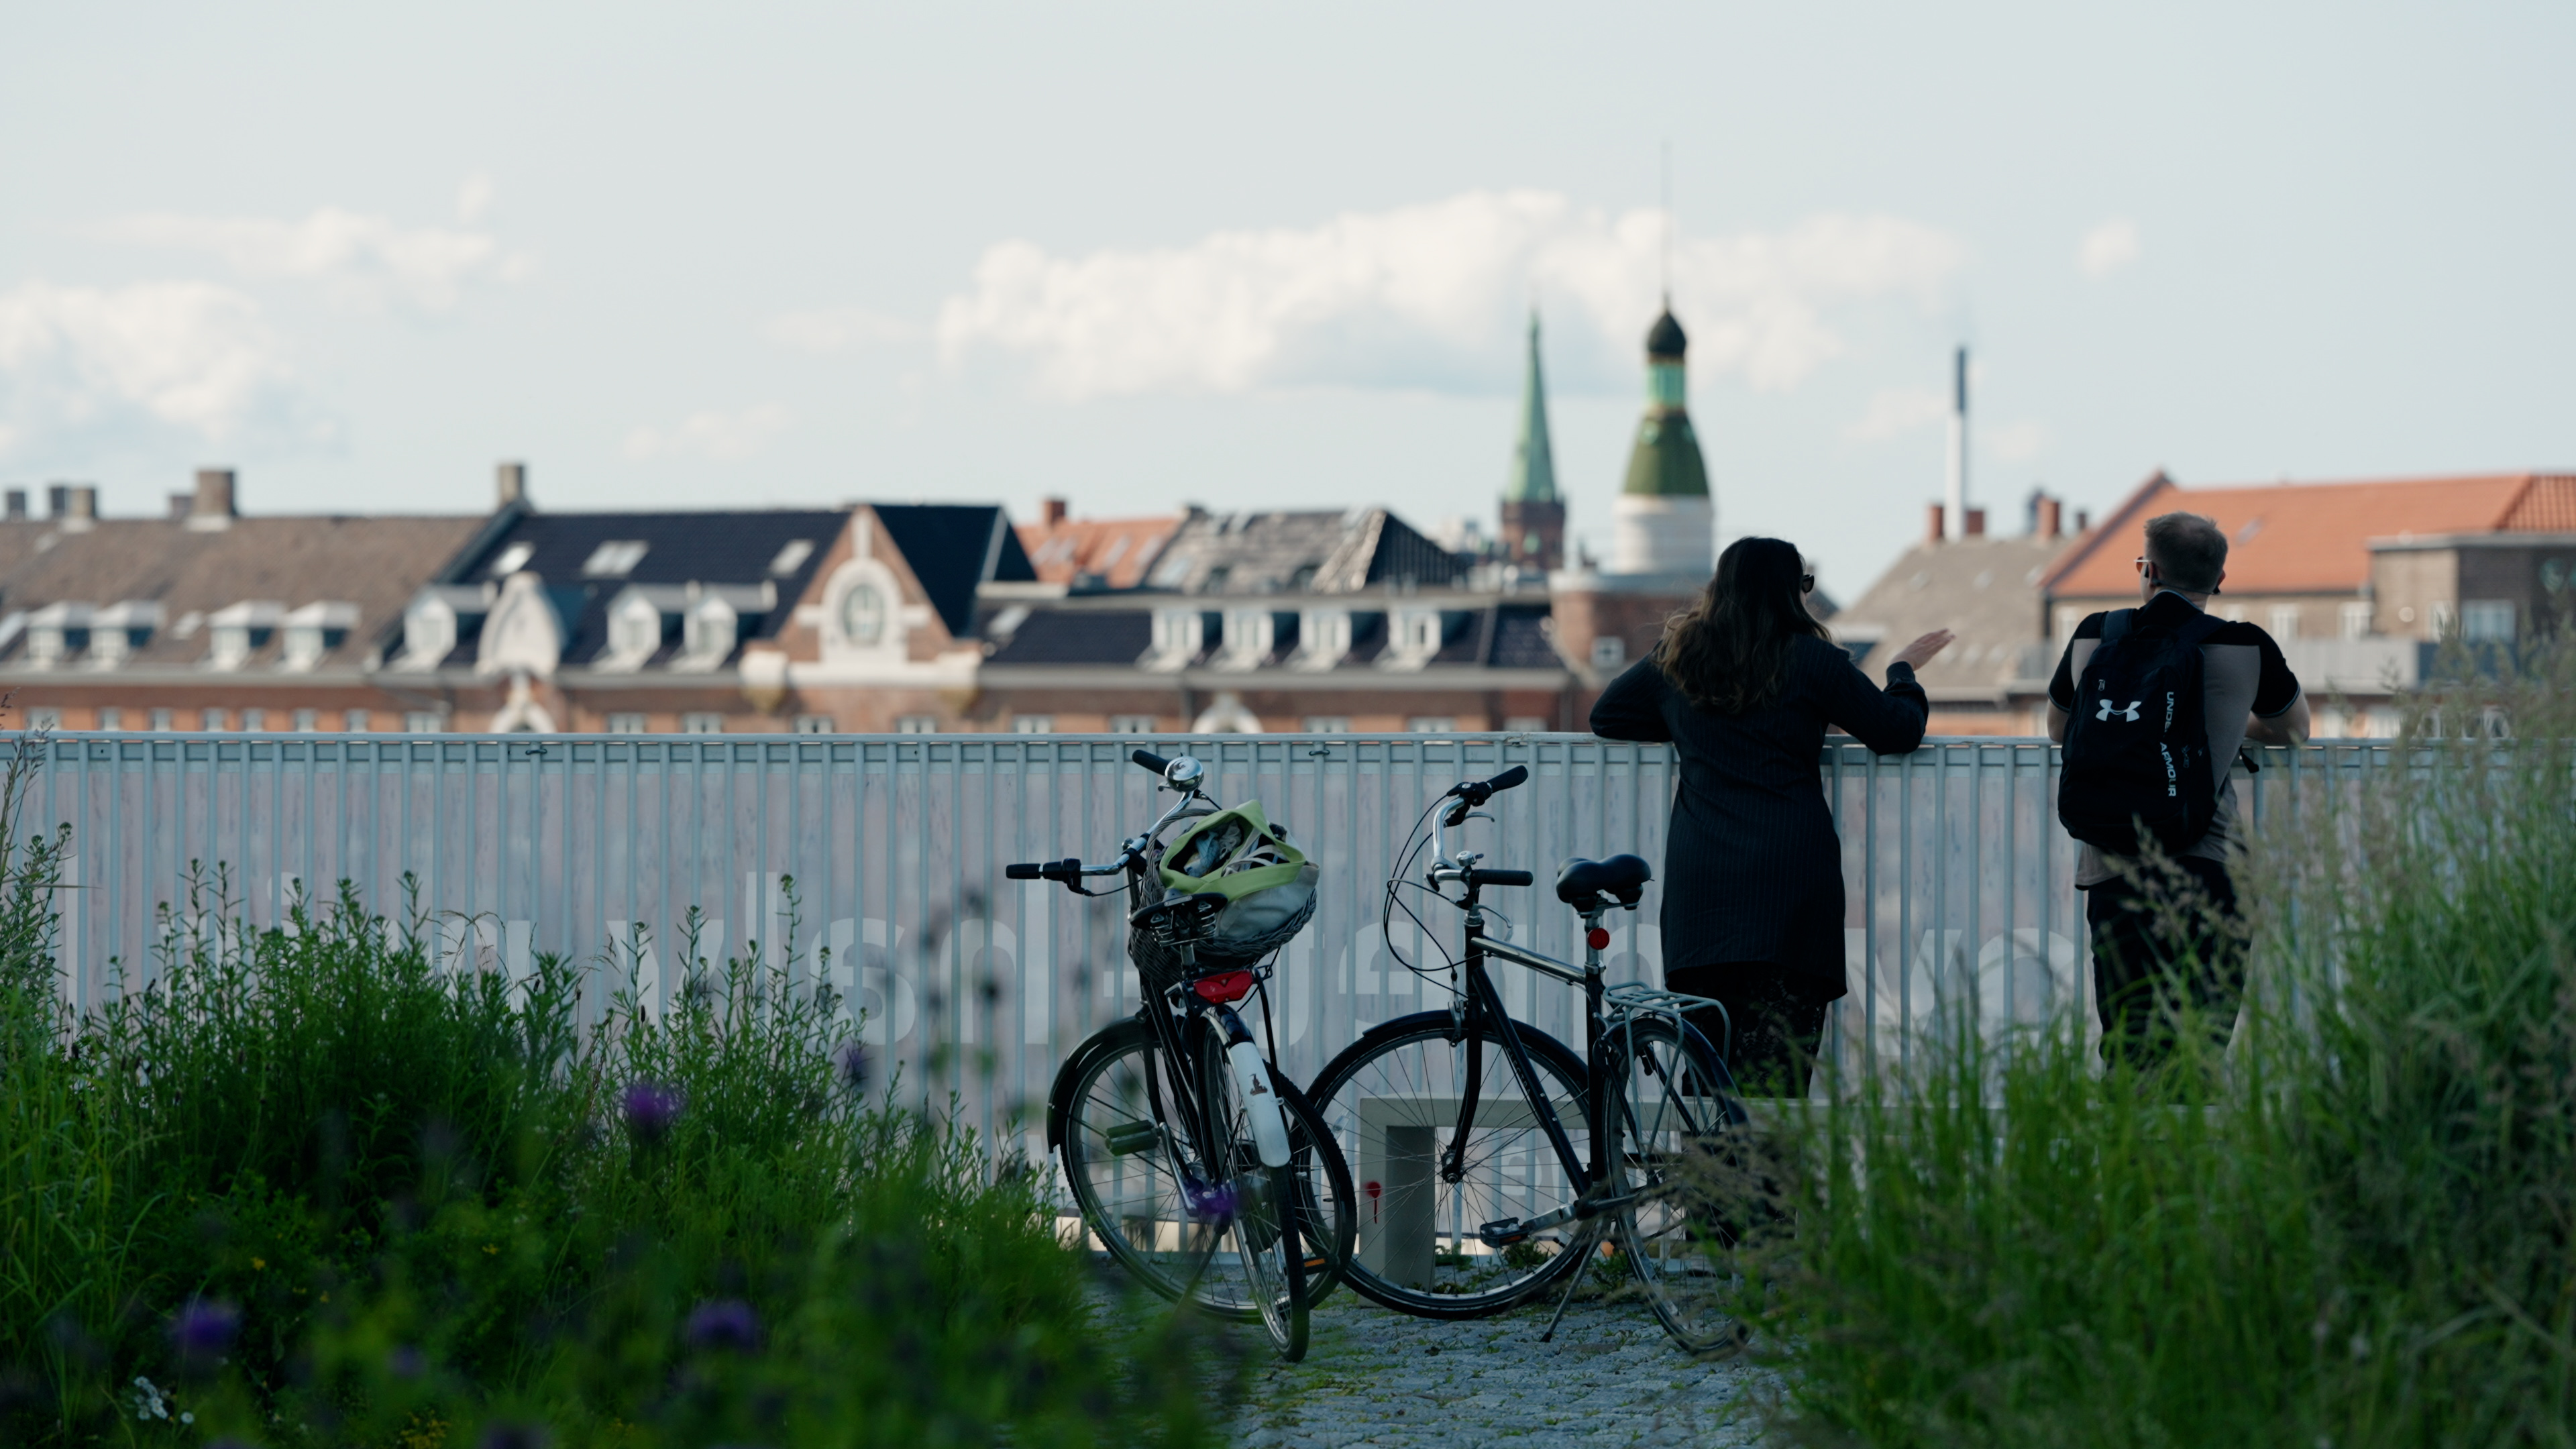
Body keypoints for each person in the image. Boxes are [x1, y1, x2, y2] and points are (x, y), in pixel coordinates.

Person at [1590, 537, 1951, 1095]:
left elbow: (1608, 714)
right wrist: (1902, 671)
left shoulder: (1680, 658)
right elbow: (1896, 731)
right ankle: (1769, 1186)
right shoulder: (1813, 662)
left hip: (1702, 900)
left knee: (1707, 1081)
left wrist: (1691, 724)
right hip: (1789, 896)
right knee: (1777, 1088)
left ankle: (1707, 1184)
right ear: (1792, 593)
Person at [2046, 511, 2308, 1070]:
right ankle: (2186, 1154)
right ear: (2218, 580)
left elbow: (2059, 727)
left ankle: (2125, 1157)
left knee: (2127, 1048)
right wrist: (2235, 727)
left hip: (2113, 869)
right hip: (2209, 869)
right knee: (2198, 1053)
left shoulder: (2098, 632)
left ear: (2151, 572)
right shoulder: (2245, 645)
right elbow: (2295, 730)